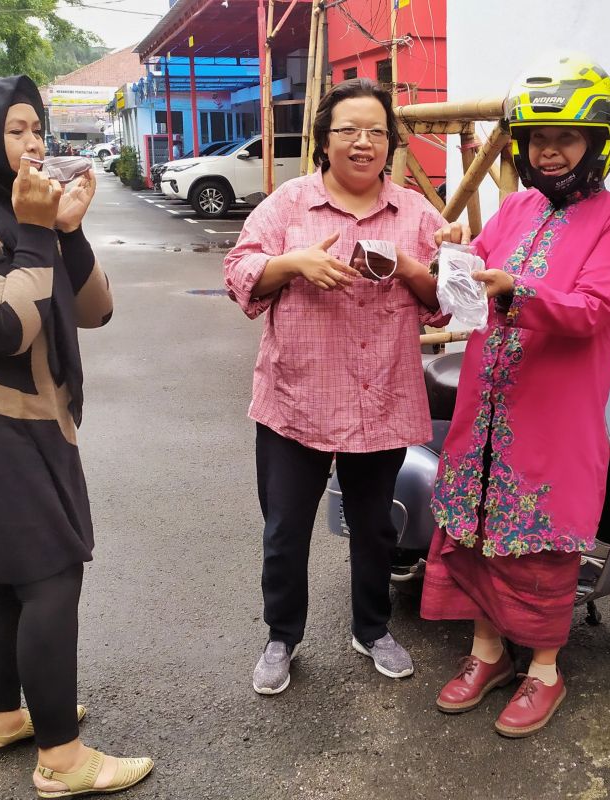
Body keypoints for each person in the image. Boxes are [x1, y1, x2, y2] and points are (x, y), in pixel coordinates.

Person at [0, 74, 153, 796]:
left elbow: (95, 309)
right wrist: (39, 231)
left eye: (37, 129)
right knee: (50, 576)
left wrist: (66, 231)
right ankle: (63, 759)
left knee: (8, 579)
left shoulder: (8, 210)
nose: (35, 143)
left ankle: (1, 716)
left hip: (25, 420)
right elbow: (9, 325)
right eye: (16, 130)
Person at [419, 53, 610, 737]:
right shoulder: (514, 208)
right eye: (538, 140)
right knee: (481, 533)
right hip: (481, 411)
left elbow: (593, 311)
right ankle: (487, 653)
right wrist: (447, 264)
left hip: (553, 420)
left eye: (566, 139)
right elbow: (464, 294)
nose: (549, 152)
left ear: (599, 144)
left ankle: (544, 669)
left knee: (540, 549)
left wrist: (515, 290)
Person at [223, 78, 450, 695]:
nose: (363, 142)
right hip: (295, 398)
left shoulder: (416, 214)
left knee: (376, 526)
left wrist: (408, 267)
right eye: (348, 130)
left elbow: (450, 300)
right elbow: (239, 270)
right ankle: (281, 637)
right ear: (324, 140)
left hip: (381, 399)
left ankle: (372, 628)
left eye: (376, 131)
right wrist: (292, 264)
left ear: (391, 144)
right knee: (285, 528)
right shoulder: (287, 206)